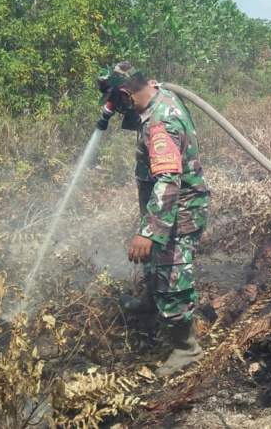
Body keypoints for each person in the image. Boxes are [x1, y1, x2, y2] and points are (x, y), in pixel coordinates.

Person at [96, 62, 211, 376]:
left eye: (116, 103)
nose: (117, 110)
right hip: (167, 209)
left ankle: (187, 349)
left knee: (172, 275)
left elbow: (168, 181)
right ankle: (151, 304)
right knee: (155, 263)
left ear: (125, 93)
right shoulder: (157, 99)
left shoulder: (160, 122)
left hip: (179, 210)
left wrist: (149, 230)